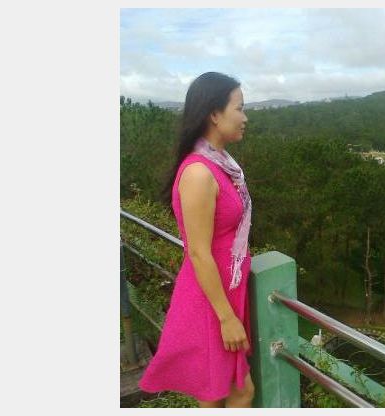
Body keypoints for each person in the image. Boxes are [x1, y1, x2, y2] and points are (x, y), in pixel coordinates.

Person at [138, 72, 253, 408]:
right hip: (211, 302)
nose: (245, 117)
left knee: (216, 394)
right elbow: (199, 252)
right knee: (235, 391)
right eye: (239, 108)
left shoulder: (222, 166)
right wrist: (226, 317)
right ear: (215, 114)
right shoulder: (199, 173)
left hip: (226, 293)